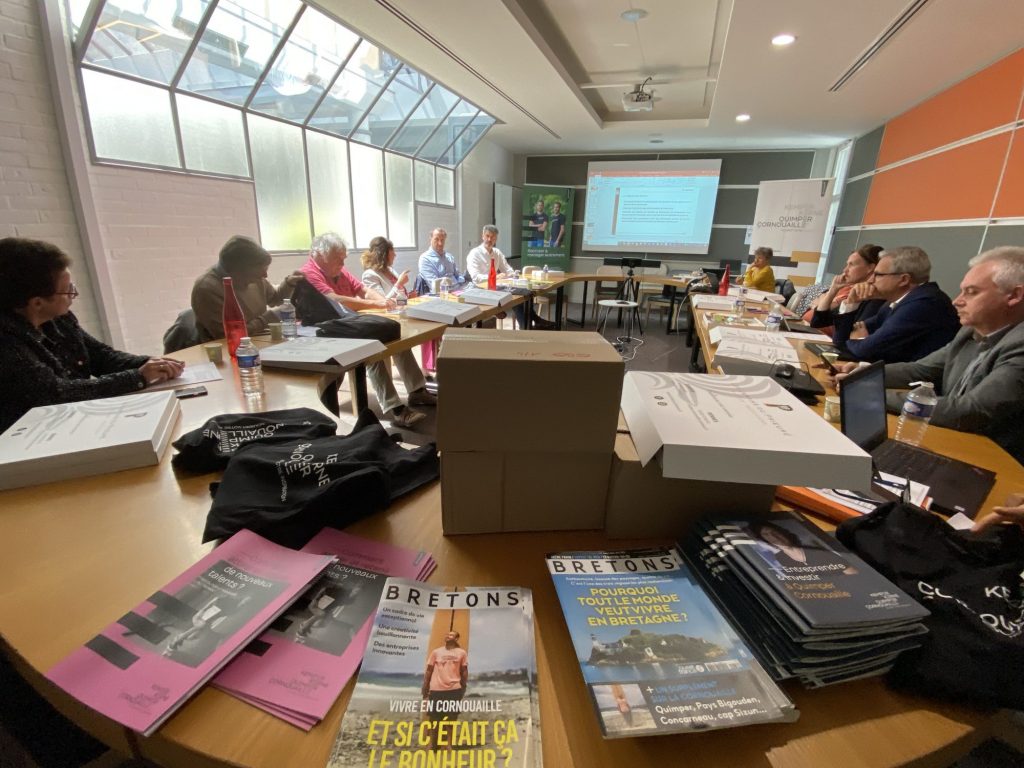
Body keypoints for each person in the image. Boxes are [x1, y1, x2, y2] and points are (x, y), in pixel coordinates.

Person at [835, 246, 1024, 464]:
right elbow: (920, 369)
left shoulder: (1019, 344)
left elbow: (971, 410)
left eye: (971, 292)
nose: (957, 300)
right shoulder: (970, 332)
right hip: (952, 440)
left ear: (1014, 296)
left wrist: (870, 395)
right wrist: (862, 374)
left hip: (995, 462)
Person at [0, 237, 185, 433]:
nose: (74, 295)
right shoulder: (7, 342)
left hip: (76, 424)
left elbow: (101, 356)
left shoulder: (58, 319)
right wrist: (137, 377)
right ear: (37, 303)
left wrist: (153, 365)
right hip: (32, 439)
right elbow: (57, 394)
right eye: (68, 290)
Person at [299, 233, 435, 428]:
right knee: (372, 348)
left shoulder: (338, 270)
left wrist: (381, 301)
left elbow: (361, 288)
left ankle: (416, 390)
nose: (343, 261)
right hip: (326, 333)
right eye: (339, 257)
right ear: (321, 254)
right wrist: (375, 303)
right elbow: (336, 299)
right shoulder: (309, 273)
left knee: (395, 336)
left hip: (348, 326)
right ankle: (394, 407)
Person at [831, 246, 959, 363]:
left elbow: (864, 351)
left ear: (903, 280)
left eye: (878, 275)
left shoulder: (925, 304)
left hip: (914, 384)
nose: (870, 280)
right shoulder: (894, 302)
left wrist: (860, 340)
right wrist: (851, 303)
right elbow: (840, 343)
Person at [191, 235, 304, 342]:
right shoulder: (207, 289)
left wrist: (289, 283)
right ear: (238, 270)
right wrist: (268, 319)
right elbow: (229, 335)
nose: (265, 275)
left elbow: (275, 298)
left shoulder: (253, 278)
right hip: (230, 352)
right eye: (259, 271)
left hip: (260, 343)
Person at [466, 225, 555, 330]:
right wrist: (496, 277)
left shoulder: (497, 253)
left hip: (496, 287)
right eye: (487, 236)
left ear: (496, 239)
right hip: (481, 289)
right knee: (516, 297)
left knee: (524, 293)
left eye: (493, 237)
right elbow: (476, 278)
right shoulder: (474, 254)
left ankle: (529, 325)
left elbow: (508, 270)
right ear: (482, 236)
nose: (489, 239)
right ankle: (529, 325)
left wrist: (514, 275)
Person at [806, 244, 885, 336]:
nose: (845, 270)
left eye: (851, 265)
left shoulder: (875, 299)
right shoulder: (856, 293)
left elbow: (845, 338)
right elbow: (817, 322)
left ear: (870, 268)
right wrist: (833, 289)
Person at [421, 630, 468, 746]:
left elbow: (464, 671)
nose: (448, 636)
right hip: (436, 689)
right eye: (447, 634)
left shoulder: (461, 653)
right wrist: (425, 685)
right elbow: (429, 670)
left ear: (456, 639)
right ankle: (433, 744)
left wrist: (463, 686)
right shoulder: (436, 652)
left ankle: (448, 745)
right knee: (434, 719)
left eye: (451, 635)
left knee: (451, 719)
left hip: (454, 689)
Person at [361, 236, 414, 301]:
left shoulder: (390, 270)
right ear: (384, 254)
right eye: (392, 250)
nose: (395, 254)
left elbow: (399, 297)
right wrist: (399, 283)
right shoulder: (369, 275)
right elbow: (382, 302)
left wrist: (409, 296)